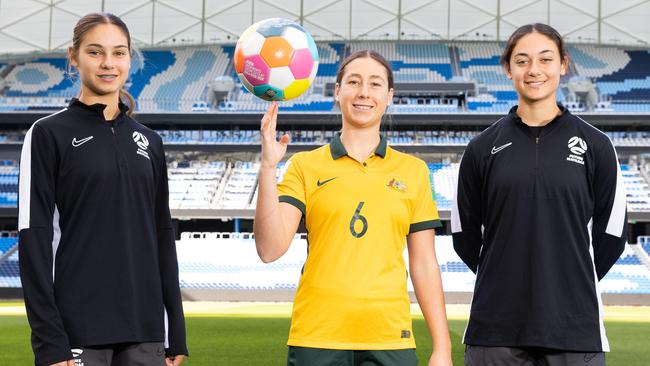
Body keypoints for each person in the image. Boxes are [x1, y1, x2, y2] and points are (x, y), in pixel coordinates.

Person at [254, 50, 452, 366]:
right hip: (317, 337)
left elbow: (425, 264)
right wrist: (267, 166)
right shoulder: (304, 165)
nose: (363, 92)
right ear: (337, 91)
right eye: (354, 82)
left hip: (390, 337)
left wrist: (442, 348)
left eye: (375, 84)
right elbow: (269, 248)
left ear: (389, 96)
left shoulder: (413, 171)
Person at [452, 23, 627, 366]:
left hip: (574, 331)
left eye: (545, 59)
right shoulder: (480, 148)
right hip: (495, 330)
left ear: (563, 65)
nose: (534, 70)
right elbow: (463, 235)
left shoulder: (597, 146)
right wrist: (505, 280)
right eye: (522, 61)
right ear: (508, 69)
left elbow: (613, 234)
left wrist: (567, 284)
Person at [18, 13, 187, 366]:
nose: (108, 63)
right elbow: (33, 238)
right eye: (95, 52)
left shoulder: (150, 142)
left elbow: (161, 236)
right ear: (73, 56)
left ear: (129, 59)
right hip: (78, 331)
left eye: (119, 53)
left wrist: (176, 334)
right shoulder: (48, 134)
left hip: (146, 333)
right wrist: (50, 340)